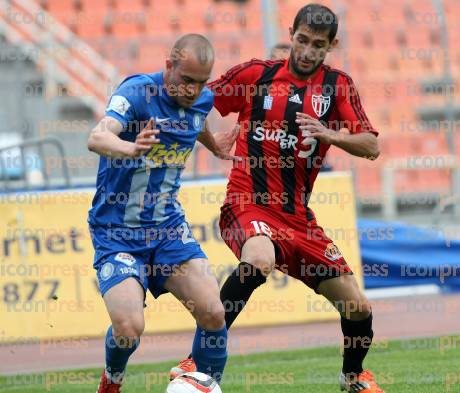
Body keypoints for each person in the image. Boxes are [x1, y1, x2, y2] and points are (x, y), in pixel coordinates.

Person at [171, 4, 384, 392]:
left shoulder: (338, 86)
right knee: (259, 260)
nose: (306, 51)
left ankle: (353, 379)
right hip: (248, 201)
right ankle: (197, 364)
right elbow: (194, 103)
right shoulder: (257, 74)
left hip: (299, 219)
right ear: (291, 33)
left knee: (358, 307)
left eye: (318, 45)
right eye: (301, 40)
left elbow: (371, 145)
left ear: (331, 45)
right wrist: (212, 141)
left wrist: (331, 134)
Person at [88, 34, 236, 392]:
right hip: (117, 231)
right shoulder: (138, 92)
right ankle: (113, 380)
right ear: (168, 64)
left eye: (201, 82)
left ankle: (205, 384)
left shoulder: (202, 99)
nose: (193, 90)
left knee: (215, 312)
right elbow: (98, 137)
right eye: (186, 80)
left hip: (168, 230)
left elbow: (194, 121)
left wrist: (214, 145)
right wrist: (130, 148)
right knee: (128, 328)